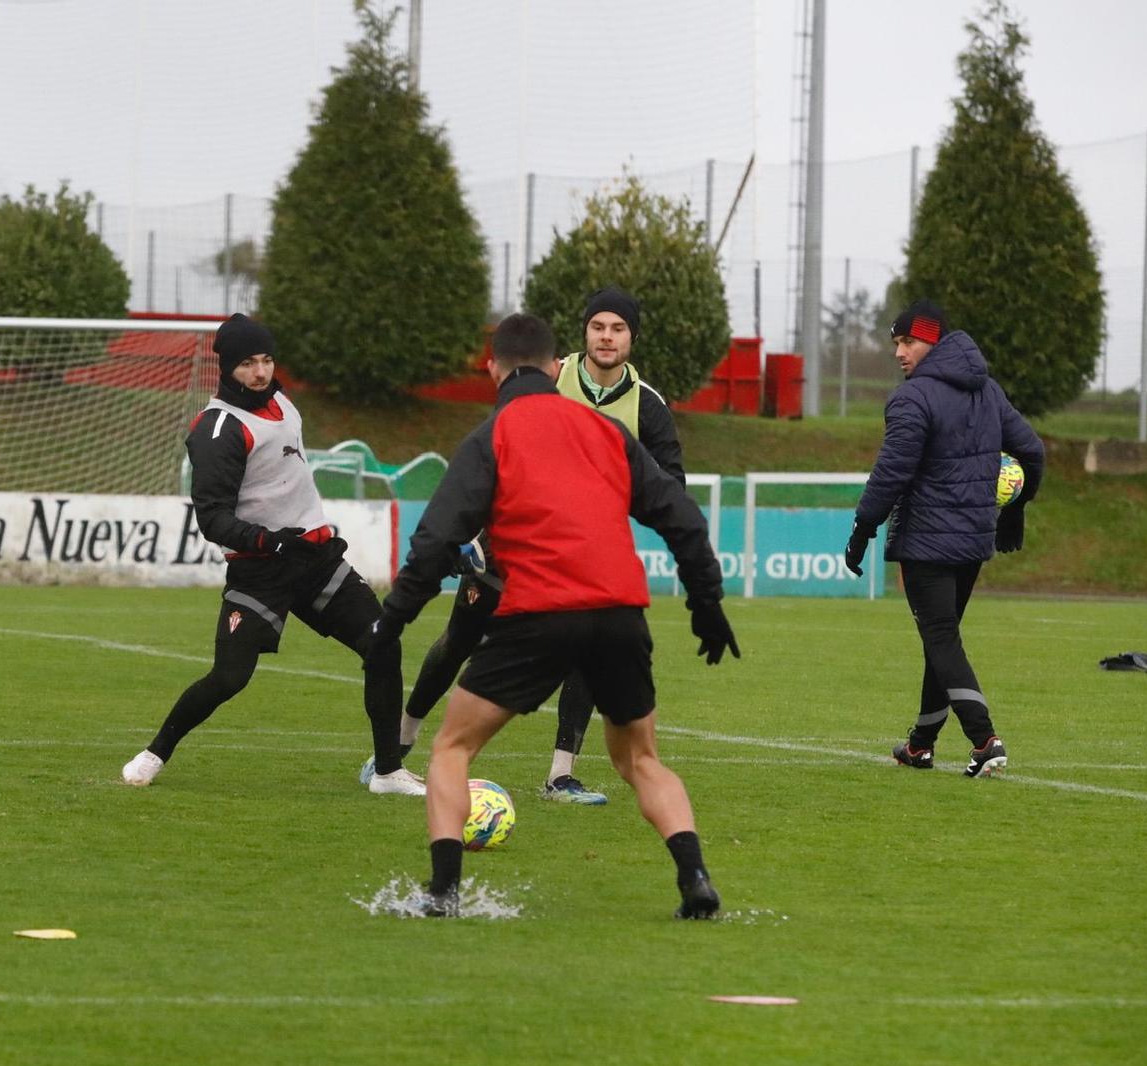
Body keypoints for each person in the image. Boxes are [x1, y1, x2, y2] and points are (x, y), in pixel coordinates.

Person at [376, 313, 738, 919]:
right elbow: (679, 513)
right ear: (553, 367)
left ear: (492, 369)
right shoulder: (604, 431)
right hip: (620, 610)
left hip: (537, 612)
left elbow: (438, 538)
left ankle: (442, 892)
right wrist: (707, 603)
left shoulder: (491, 434)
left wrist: (394, 618)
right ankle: (695, 877)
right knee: (640, 760)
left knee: (452, 749)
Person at [363, 287, 688, 809]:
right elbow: (493, 452)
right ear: (583, 334)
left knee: (587, 651)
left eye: (618, 328)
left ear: (631, 337)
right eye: (598, 326)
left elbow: (670, 481)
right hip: (504, 548)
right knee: (457, 642)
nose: (607, 337)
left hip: (577, 556)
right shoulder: (549, 381)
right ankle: (399, 741)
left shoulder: (647, 405)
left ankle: (561, 775)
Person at [121, 313, 421, 794]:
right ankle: (156, 752)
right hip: (260, 571)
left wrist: (298, 536)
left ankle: (387, 771)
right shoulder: (216, 429)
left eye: (266, 360)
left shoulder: (281, 401)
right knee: (229, 678)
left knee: (382, 642)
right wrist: (270, 540)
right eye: (247, 364)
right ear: (227, 367)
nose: (260, 372)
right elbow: (212, 519)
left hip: (315, 559)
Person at [843, 300, 1045, 778]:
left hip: (926, 543)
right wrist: (1016, 507)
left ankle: (984, 739)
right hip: (972, 542)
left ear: (932, 341)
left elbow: (891, 473)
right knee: (943, 639)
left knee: (940, 637)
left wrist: (861, 529)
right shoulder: (988, 391)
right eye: (896, 342)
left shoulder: (913, 399)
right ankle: (921, 744)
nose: (899, 352)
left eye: (908, 342)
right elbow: (1031, 450)